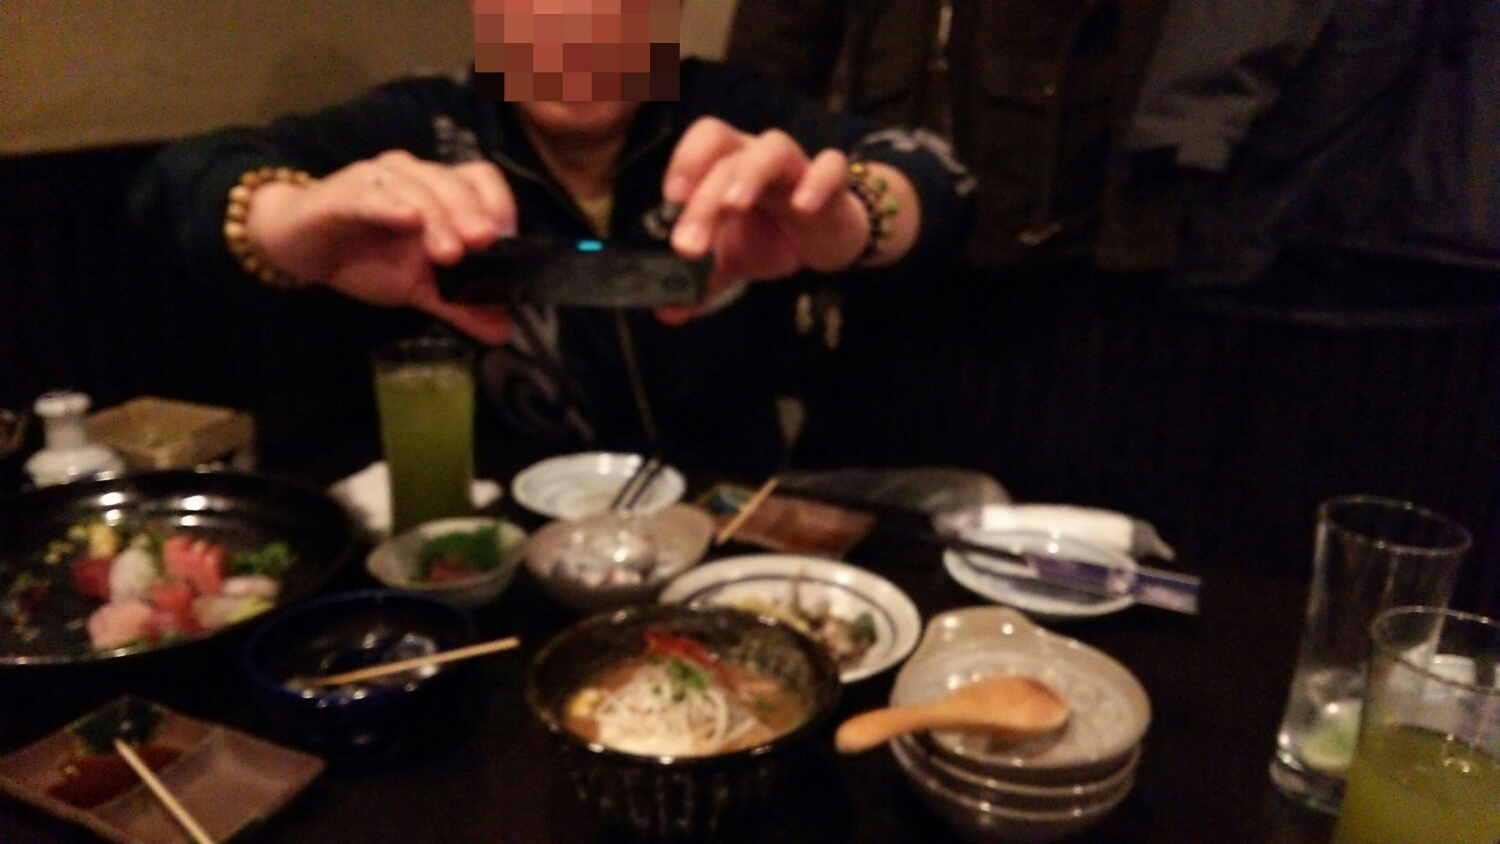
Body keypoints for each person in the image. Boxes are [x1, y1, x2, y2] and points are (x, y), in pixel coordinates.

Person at [129, 0, 975, 475]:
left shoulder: (726, 107)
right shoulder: (426, 121)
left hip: (721, 537)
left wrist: (853, 218)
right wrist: (281, 222)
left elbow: (934, 174)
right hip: (493, 558)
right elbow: (176, 182)